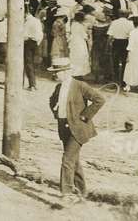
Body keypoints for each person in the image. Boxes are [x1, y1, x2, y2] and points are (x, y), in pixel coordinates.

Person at [48, 56, 106, 203]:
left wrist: (85, 116)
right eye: (55, 71)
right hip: (64, 129)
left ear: (67, 72)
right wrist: (57, 112)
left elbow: (99, 99)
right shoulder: (58, 87)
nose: (55, 74)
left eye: (58, 71)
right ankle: (82, 192)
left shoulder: (80, 85)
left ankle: (66, 194)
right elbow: (52, 100)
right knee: (74, 161)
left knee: (67, 160)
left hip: (78, 129)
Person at [108, 11, 133, 86]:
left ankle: (115, 81)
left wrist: (109, 44)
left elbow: (110, 35)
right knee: (125, 62)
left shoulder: (114, 22)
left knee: (115, 62)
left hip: (116, 42)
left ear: (119, 14)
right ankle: (123, 81)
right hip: (125, 42)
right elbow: (131, 35)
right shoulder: (130, 23)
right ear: (127, 15)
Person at [23, 5, 44, 90]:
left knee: (27, 63)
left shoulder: (27, 22)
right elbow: (40, 34)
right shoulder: (37, 21)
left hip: (27, 42)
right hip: (35, 42)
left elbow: (24, 34)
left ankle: (31, 84)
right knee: (32, 64)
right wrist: (37, 42)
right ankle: (33, 83)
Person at [68, 12, 91, 79]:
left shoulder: (73, 24)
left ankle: (74, 72)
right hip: (80, 42)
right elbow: (84, 35)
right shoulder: (80, 26)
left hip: (73, 42)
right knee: (81, 57)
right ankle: (79, 73)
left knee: (74, 57)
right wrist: (88, 36)